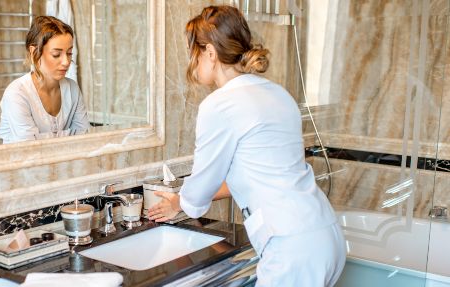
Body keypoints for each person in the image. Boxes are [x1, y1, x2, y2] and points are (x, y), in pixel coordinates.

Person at [147, 6, 346, 287]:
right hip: (325, 235)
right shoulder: (278, 94)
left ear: (210, 53)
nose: (192, 62)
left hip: (290, 247)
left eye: (194, 52)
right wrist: (182, 200)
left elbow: (203, 185)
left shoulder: (220, 105)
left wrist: (182, 202)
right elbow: (258, 174)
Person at [0, 16, 90, 144]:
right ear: (34, 52)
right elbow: (30, 149)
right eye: (56, 54)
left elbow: (83, 140)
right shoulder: (17, 93)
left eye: (69, 53)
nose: (66, 62)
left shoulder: (72, 89)